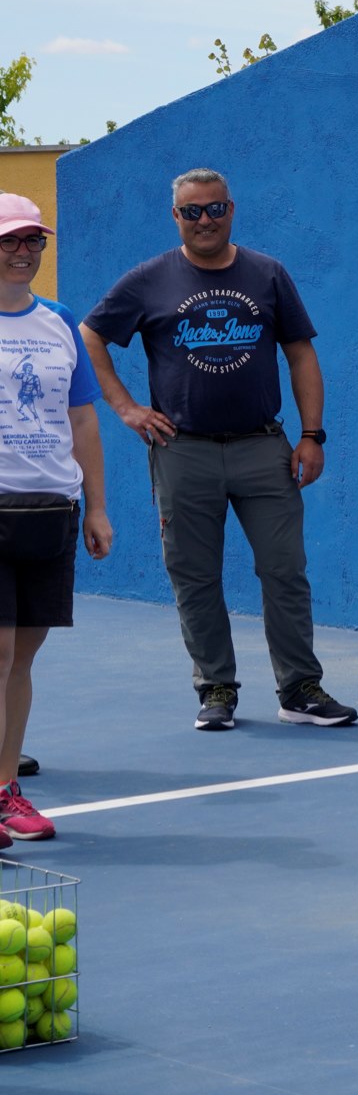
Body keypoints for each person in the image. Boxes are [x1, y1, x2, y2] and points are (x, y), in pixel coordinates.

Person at [82, 169, 358, 730]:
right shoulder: (149, 279)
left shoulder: (267, 273)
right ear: (176, 217)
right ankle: (216, 690)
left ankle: (299, 689)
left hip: (264, 446)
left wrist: (312, 434)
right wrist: (126, 407)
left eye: (215, 209)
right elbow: (90, 337)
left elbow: (301, 355)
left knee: (285, 570)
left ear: (231, 209)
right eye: (192, 212)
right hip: (183, 450)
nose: (204, 220)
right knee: (194, 574)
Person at [0, 194, 112, 845]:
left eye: (32, 240)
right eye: (11, 241)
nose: (23, 251)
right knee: (1, 648)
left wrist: (95, 505)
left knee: (22, 658)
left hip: (50, 511)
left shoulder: (61, 322)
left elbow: (82, 420)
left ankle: (7, 785)